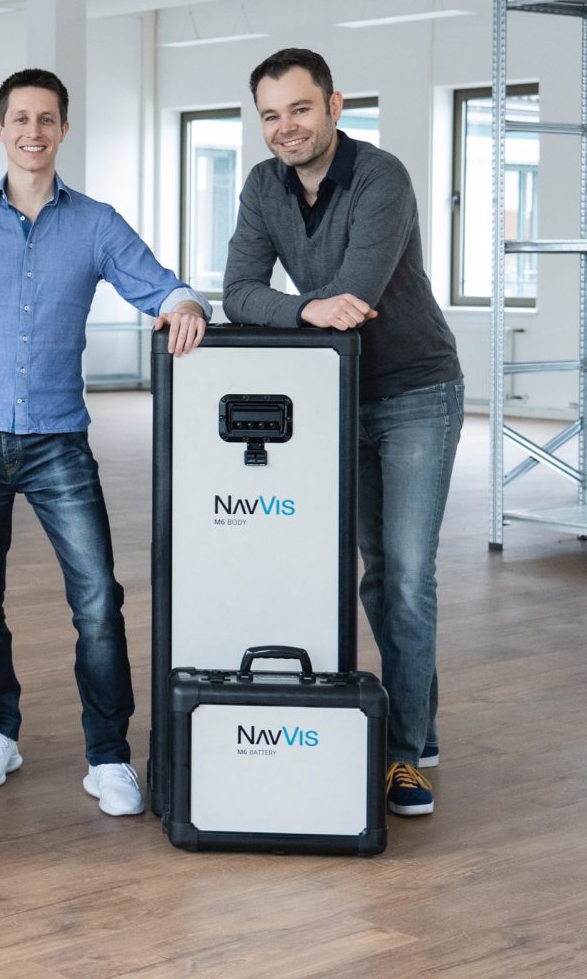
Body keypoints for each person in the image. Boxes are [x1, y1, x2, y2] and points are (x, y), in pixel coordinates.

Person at [0, 68, 209, 816]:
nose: (33, 132)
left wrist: (182, 304)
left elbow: (160, 283)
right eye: (20, 118)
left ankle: (108, 755)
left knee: (97, 601)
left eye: (47, 119)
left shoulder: (96, 224)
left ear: (63, 130)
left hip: (57, 441)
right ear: (1, 128)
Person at [223, 47, 463, 818]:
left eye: (298, 108)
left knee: (408, 572)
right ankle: (413, 721)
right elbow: (237, 292)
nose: (284, 127)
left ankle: (404, 755)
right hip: (335, 395)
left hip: (417, 389)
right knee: (372, 574)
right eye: (270, 115)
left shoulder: (382, 175)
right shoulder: (264, 187)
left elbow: (357, 293)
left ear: (334, 106)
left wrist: (310, 303)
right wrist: (301, 310)